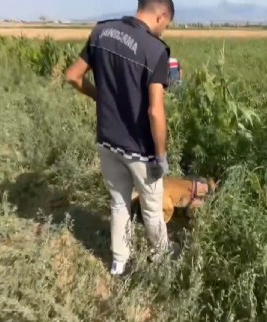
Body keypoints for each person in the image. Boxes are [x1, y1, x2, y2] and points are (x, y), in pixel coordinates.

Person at [64, 0, 177, 276]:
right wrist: (160, 156)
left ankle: (119, 263)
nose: (164, 31)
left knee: (118, 203)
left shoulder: (101, 32)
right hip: (140, 149)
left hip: (107, 140)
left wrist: (99, 95)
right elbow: (155, 111)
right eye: (167, 25)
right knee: (151, 208)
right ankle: (161, 257)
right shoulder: (155, 50)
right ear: (161, 16)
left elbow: (73, 76)